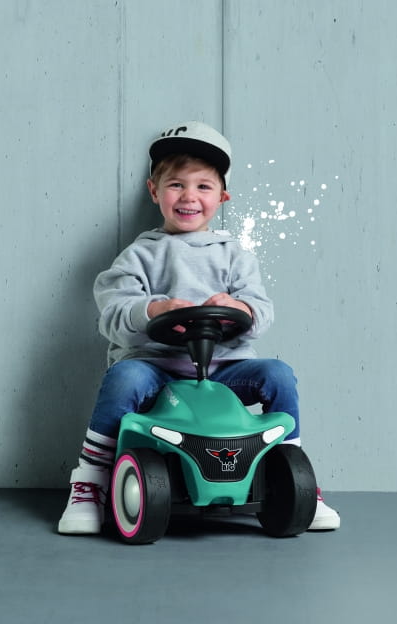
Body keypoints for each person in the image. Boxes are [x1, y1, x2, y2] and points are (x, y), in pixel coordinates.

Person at [58, 121, 340, 534]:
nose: (189, 196)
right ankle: (91, 480)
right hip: (157, 369)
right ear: (154, 191)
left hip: (225, 371)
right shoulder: (139, 256)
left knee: (278, 374)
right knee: (124, 378)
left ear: (222, 196)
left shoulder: (235, 256)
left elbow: (261, 311)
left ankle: (292, 475)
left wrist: (237, 307)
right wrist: (154, 309)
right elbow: (114, 314)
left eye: (203, 186)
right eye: (176, 185)